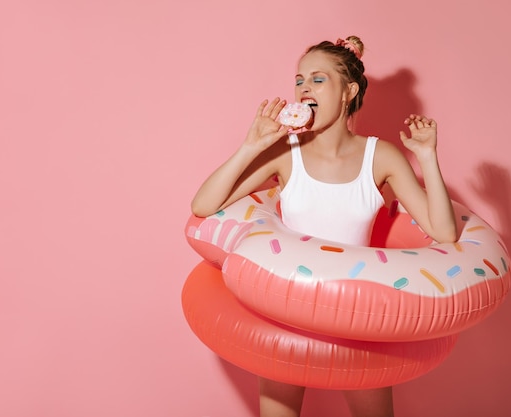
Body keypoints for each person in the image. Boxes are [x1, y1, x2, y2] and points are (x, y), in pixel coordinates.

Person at [191, 36, 457, 417]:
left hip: (358, 323)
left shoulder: (379, 156)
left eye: (318, 79)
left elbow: (444, 233)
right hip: (287, 313)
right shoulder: (286, 152)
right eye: (299, 80)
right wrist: (251, 145)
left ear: (348, 91)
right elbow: (203, 204)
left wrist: (428, 157)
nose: (303, 88)